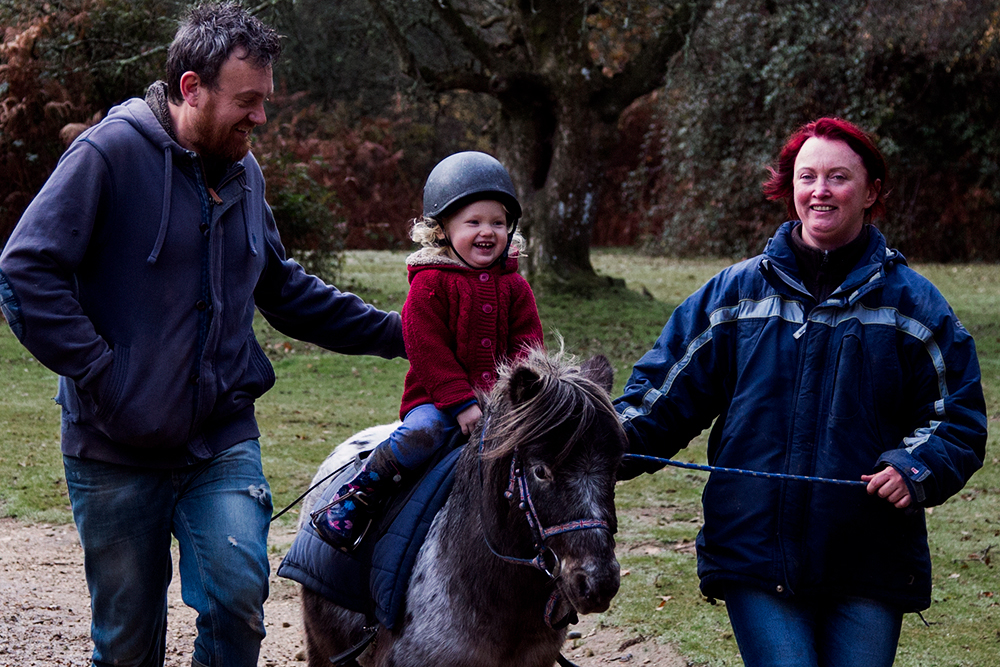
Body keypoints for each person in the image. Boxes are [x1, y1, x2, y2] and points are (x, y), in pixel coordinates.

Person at [0, 4, 404, 666]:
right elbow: (24, 271)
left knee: (238, 600)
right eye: (247, 101)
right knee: (127, 645)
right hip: (112, 448)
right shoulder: (108, 154)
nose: (261, 118)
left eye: (264, 101)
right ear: (193, 88)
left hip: (219, 441)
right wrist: (106, 375)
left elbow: (286, 291)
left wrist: (402, 331)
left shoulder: (243, 174)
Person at [614, 117, 987, 667]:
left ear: (872, 191)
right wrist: (590, 440)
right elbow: (661, 400)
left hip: (869, 557)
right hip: (754, 552)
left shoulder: (915, 305)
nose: (820, 190)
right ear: (790, 188)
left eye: (838, 177)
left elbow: (957, 418)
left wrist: (915, 468)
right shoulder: (732, 295)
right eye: (807, 176)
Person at [310, 151, 544, 550]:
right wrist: (460, 402)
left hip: (503, 404)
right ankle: (358, 496)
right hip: (438, 401)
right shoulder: (431, 283)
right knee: (421, 435)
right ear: (441, 231)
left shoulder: (515, 287)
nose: (487, 231)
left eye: (498, 222)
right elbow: (426, 349)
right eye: (473, 222)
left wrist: (528, 396)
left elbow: (528, 347)